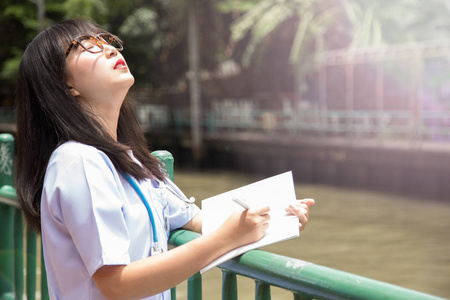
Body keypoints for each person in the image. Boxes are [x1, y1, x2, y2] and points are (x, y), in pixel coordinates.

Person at [15, 18, 315, 300]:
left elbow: (197, 219)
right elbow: (116, 284)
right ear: (66, 86)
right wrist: (227, 239)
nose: (107, 47)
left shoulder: (131, 160)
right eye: (85, 45)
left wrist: (278, 216)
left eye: (105, 39)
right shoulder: (79, 161)